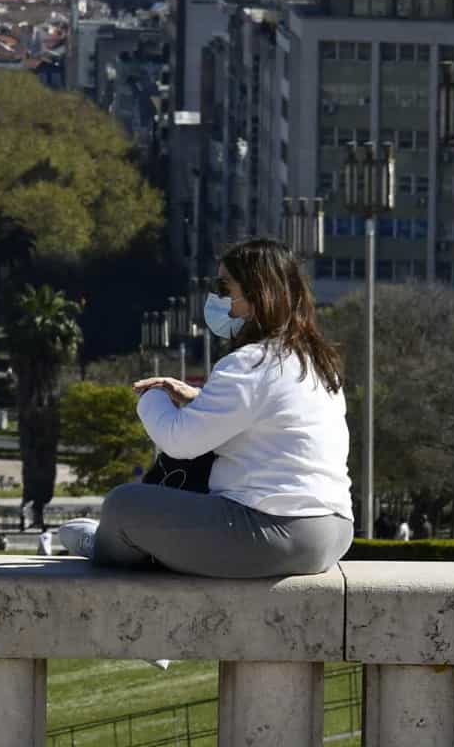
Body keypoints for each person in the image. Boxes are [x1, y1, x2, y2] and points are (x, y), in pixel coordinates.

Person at [56, 238, 354, 578]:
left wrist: (152, 395)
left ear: (257, 294)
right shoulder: (314, 363)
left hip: (275, 532)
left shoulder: (250, 363)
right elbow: (270, 419)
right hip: (334, 531)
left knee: (122, 505)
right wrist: (199, 399)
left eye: (225, 287)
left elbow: (179, 441)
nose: (218, 297)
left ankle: (105, 544)